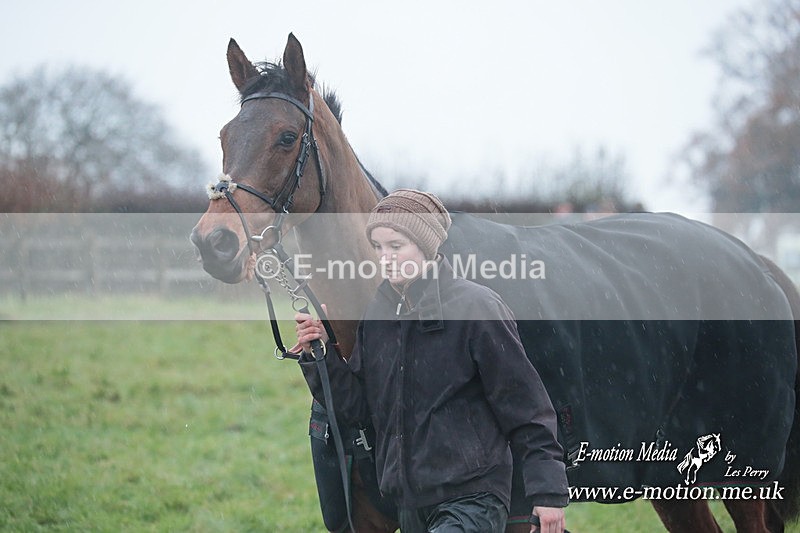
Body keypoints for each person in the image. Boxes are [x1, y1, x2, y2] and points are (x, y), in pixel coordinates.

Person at [295, 189, 568, 533]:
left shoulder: (476, 308)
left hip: (473, 498)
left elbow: (527, 409)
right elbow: (360, 409)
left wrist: (548, 493)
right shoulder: (378, 315)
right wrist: (319, 354)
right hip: (410, 504)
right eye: (378, 247)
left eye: (396, 246)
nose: (385, 257)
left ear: (426, 246)